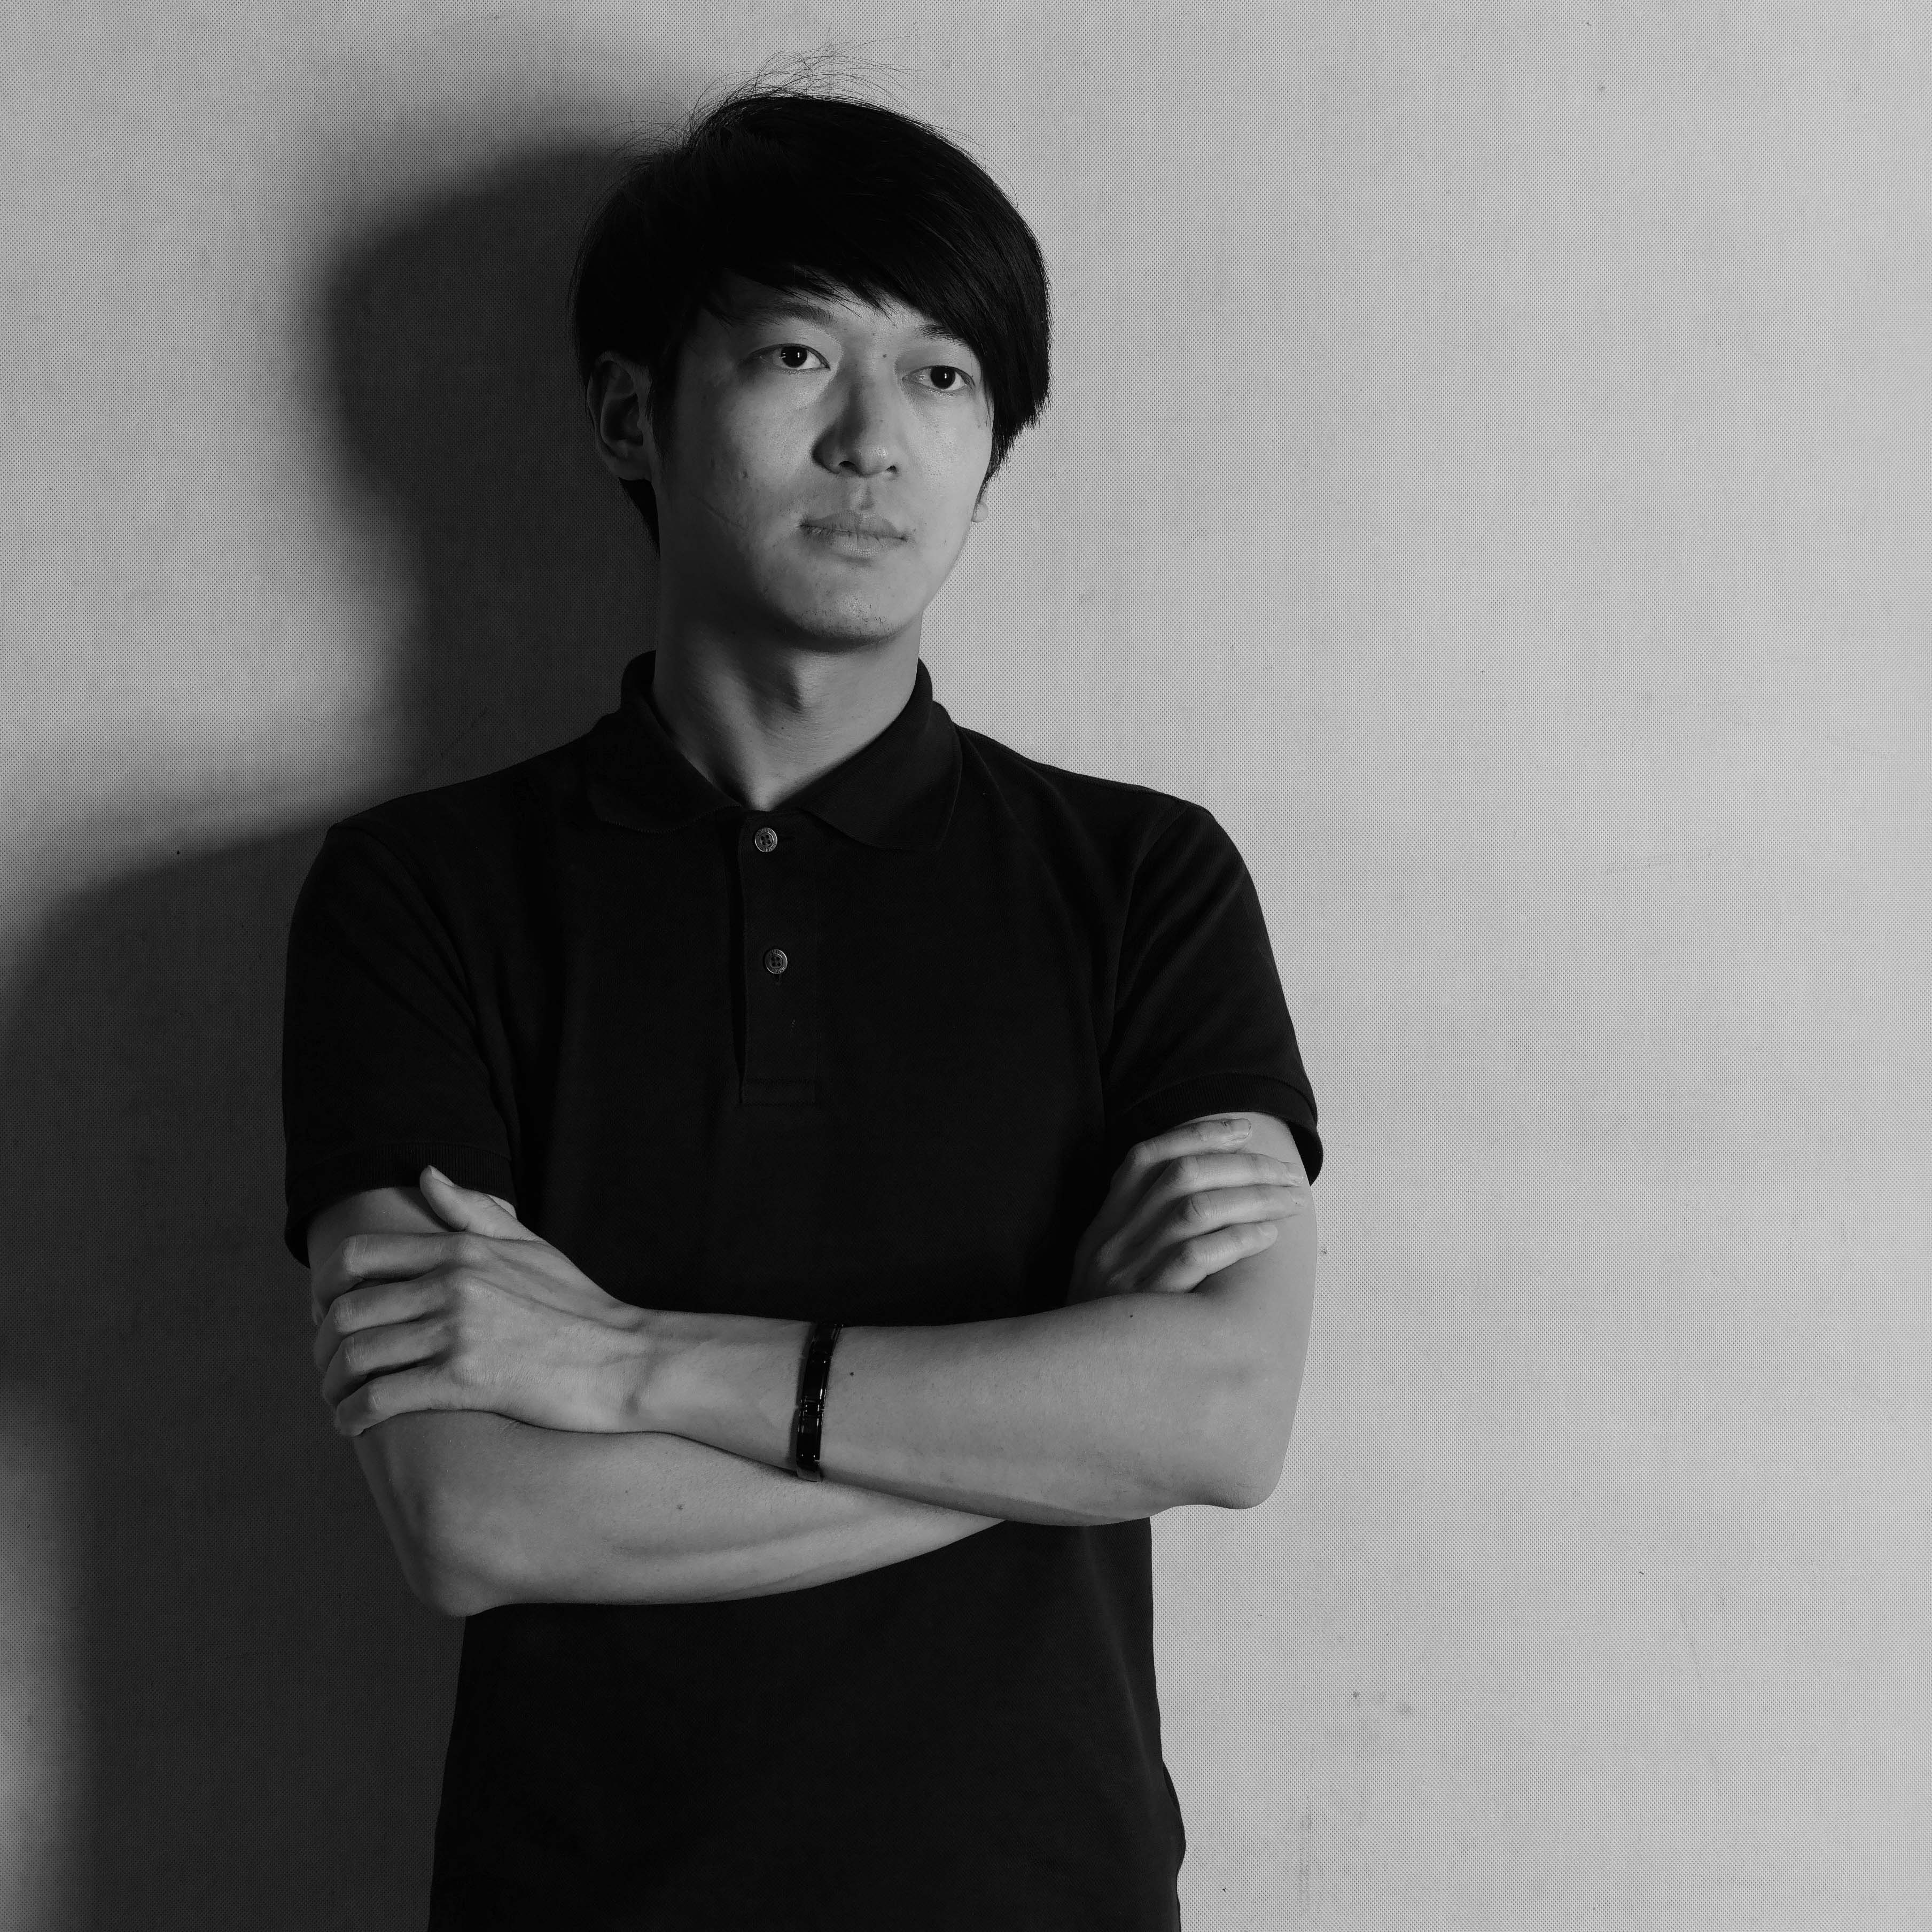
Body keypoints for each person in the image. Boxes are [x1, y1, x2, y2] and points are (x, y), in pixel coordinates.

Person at [284, 81, 1321, 1932]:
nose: (874, 439)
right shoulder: (419, 894)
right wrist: (1056, 1410)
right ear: (633, 413)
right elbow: (478, 1517)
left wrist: (624, 1365)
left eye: (943, 375)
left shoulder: (1147, 880)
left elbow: (1225, 1415)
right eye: (796, 355)